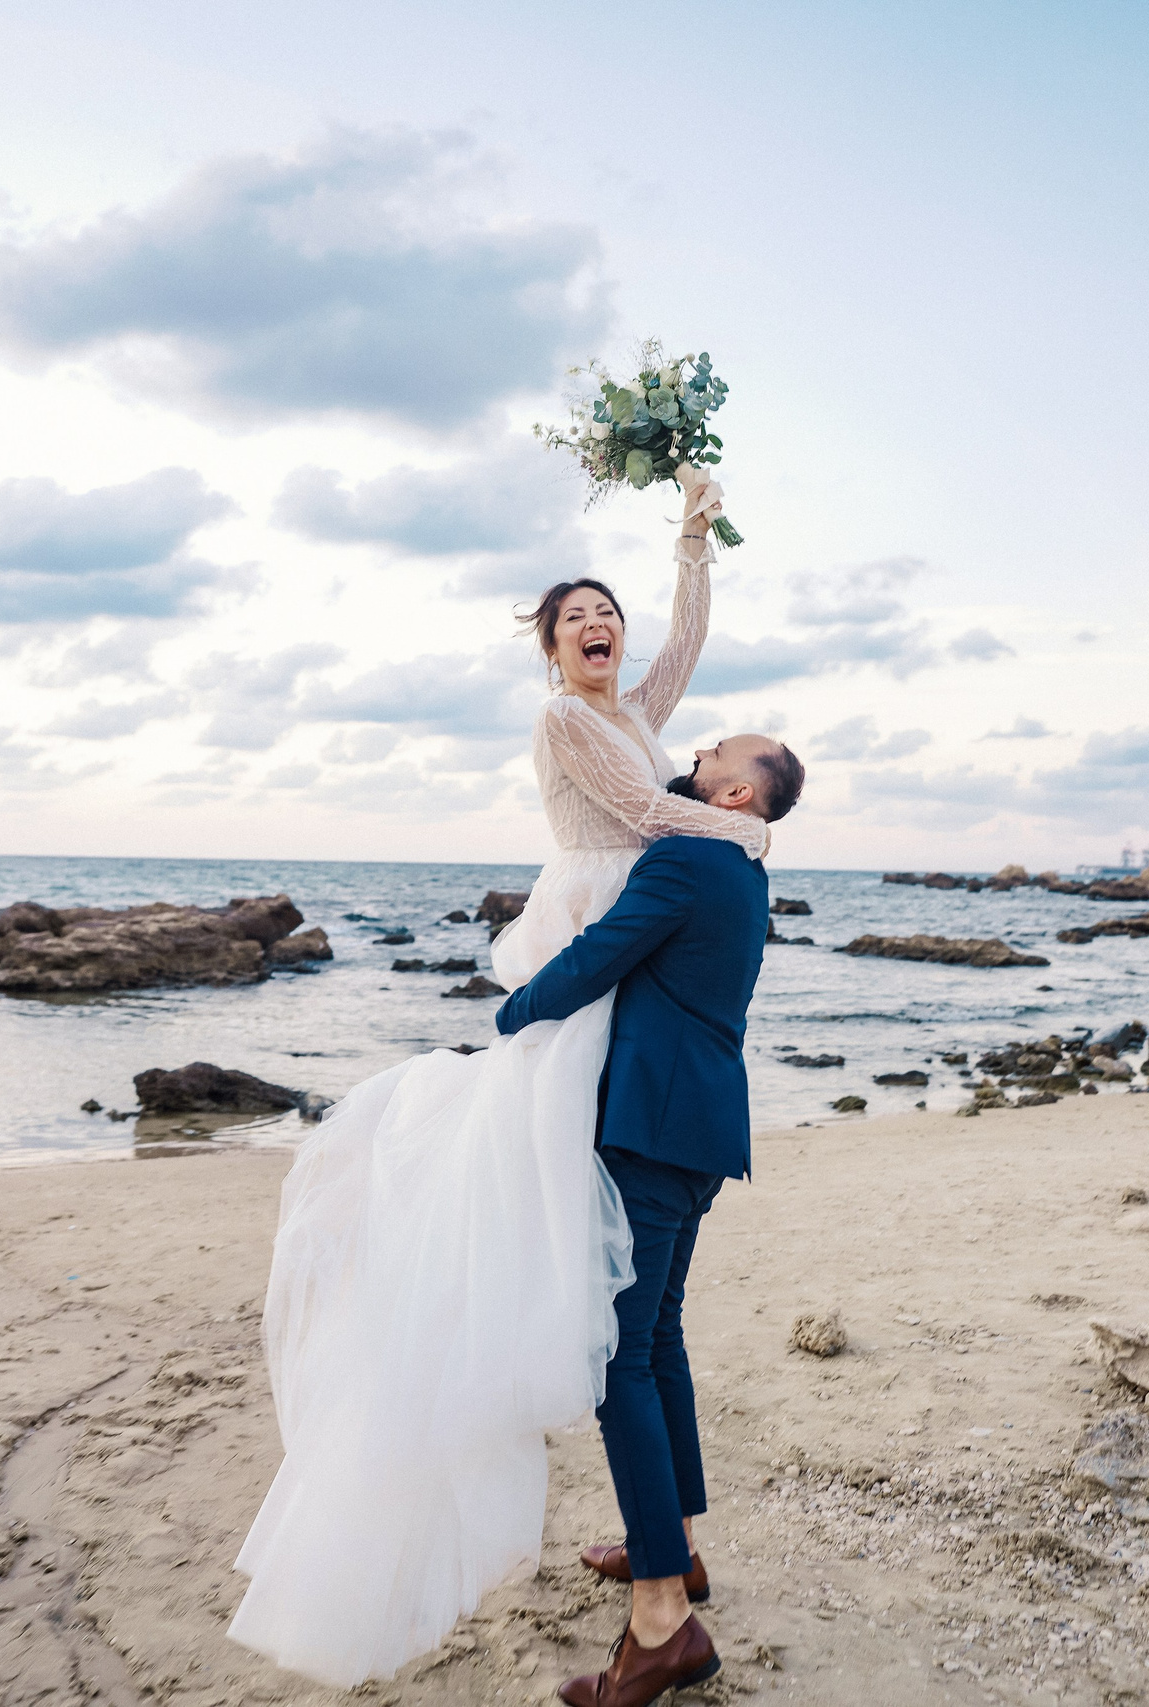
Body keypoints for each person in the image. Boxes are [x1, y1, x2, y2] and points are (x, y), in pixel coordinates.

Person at [228, 471, 779, 1687]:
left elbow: (686, 648)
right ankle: (665, 1544)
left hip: (631, 934)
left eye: (609, 612)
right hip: (599, 906)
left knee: (633, 1328)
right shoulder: (570, 725)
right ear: (552, 650)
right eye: (576, 617)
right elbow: (639, 806)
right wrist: (742, 830)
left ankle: (667, 1562)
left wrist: (691, 541)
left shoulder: (642, 719)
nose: (599, 624)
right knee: (619, 1275)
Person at [491, 735, 804, 1707]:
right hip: (702, 1129)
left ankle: (663, 1622)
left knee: (616, 1359)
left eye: (719, 751)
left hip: (652, 1134)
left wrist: (511, 1013)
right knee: (657, 1337)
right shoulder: (746, 871)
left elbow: (600, 957)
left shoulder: (686, 858)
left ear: (736, 791)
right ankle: (676, 1546)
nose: (698, 748)